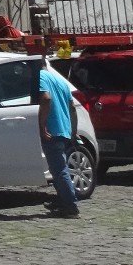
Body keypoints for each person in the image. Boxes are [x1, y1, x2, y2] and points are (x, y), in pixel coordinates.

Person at [33, 57, 85, 218]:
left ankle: (70, 206)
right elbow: (72, 108)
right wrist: (73, 131)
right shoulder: (60, 80)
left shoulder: (41, 77)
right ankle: (62, 201)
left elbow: (46, 98)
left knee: (59, 170)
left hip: (52, 130)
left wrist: (42, 126)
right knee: (60, 169)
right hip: (64, 130)